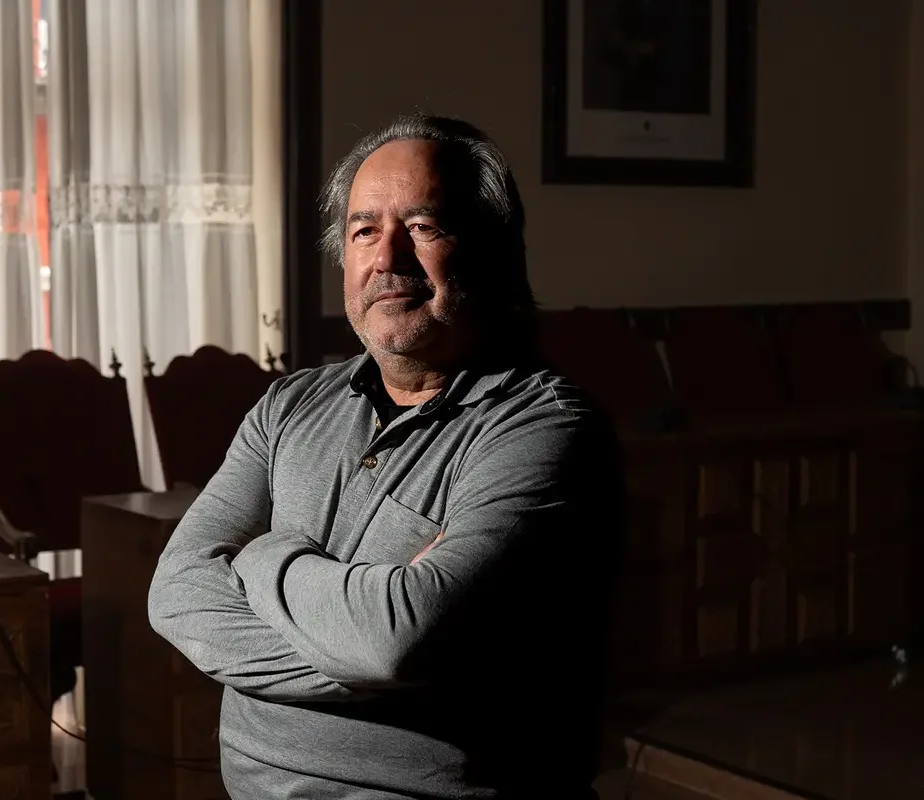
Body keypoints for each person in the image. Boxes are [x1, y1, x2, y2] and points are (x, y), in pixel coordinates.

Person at [147, 113, 624, 799]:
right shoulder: (289, 406)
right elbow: (175, 593)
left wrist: (259, 557)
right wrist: (364, 636)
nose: (388, 258)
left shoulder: (545, 429)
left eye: (424, 228)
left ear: (491, 252)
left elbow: (398, 639)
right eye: (364, 229)